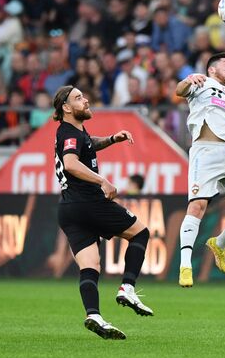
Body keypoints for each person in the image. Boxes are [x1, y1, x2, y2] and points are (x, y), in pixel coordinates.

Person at [53, 85, 153, 340]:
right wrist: (102, 181)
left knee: (90, 266)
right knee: (140, 232)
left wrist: (111, 139)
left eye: (84, 95)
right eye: (78, 98)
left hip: (69, 209)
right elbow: (71, 163)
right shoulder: (69, 134)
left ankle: (94, 314)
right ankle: (127, 287)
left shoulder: (73, 132)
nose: (85, 100)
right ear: (65, 108)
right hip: (89, 203)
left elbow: (86, 146)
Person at [175, 52, 225, 288]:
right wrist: (189, 79)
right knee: (198, 205)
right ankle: (185, 265)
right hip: (206, 150)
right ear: (211, 69)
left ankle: (219, 244)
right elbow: (179, 91)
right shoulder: (202, 83)